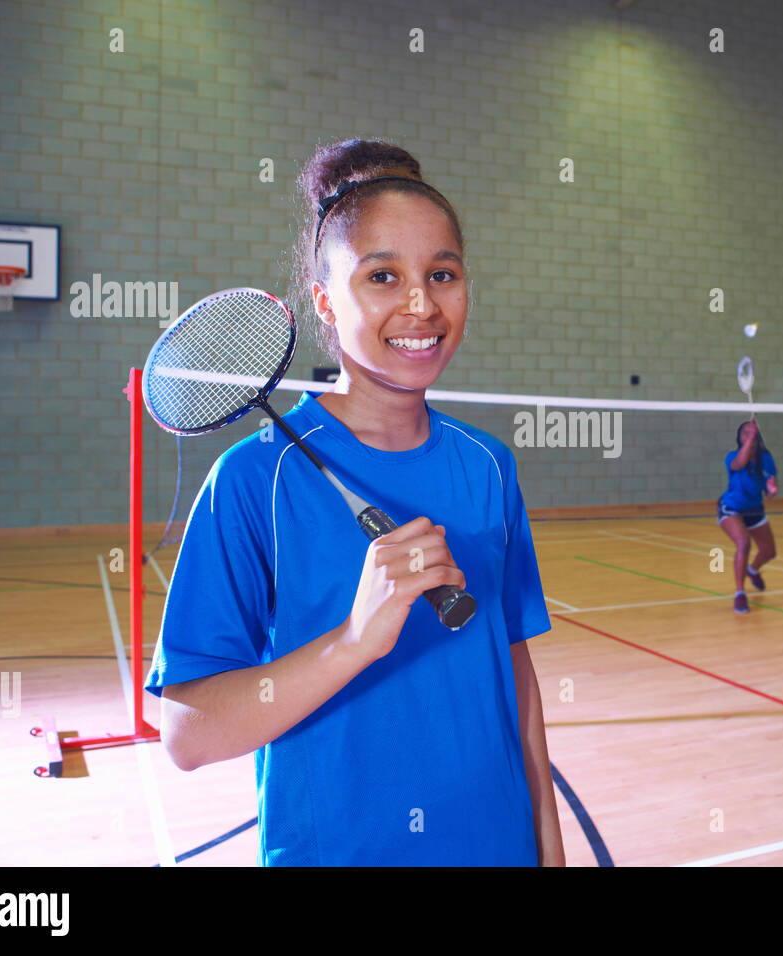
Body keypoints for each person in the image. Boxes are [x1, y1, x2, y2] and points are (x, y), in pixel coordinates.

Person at [146, 139, 565, 866]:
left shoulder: (488, 467)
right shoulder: (254, 481)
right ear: (324, 302)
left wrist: (548, 851)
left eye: (443, 273)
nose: (420, 304)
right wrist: (354, 641)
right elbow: (188, 734)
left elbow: (518, 687)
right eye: (382, 275)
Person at [716, 420, 778, 614]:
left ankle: (753, 570)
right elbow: (740, 463)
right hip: (731, 509)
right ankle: (740, 594)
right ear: (740, 437)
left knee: (769, 552)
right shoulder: (732, 457)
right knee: (744, 543)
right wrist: (750, 440)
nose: (749, 435)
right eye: (745, 433)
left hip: (754, 510)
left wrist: (771, 490)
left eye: (752, 433)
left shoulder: (766, 459)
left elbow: (770, 485)